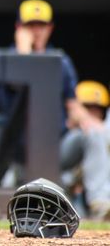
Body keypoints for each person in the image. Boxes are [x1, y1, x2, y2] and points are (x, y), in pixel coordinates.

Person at [10, 0, 109, 217]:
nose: (37, 31)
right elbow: (19, 84)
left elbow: (73, 104)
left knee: (96, 133)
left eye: (41, 25)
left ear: (50, 28)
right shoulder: (11, 58)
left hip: (56, 146)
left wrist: (96, 126)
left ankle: (101, 204)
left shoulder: (61, 61)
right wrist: (24, 51)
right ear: (19, 28)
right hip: (20, 152)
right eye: (30, 25)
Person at [61, 80, 110, 220]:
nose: (93, 113)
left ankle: (101, 206)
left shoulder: (103, 135)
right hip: (62, 178)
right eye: (88, 108)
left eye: (97, 108)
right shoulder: (70, 134)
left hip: (84, 191)